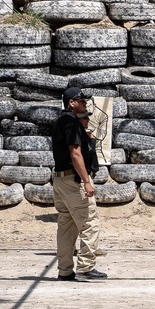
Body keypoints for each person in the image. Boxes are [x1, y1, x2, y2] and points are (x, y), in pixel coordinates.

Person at [52, 87, 106, 281]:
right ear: (71, 103)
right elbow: (75, 153)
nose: (84, 105)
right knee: (90, 223)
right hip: (73, 180)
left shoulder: (59, 121)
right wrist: (86, 181)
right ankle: (85, 267)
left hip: (59, 179)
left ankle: (65, 270)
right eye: (81, 102)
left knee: (66, 226)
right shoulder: (72, 122)